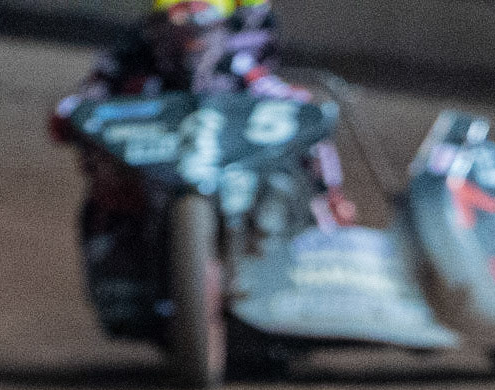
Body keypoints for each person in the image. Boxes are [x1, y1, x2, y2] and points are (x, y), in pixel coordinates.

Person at [48, 0, 355, 335]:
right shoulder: (130, 60)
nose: (190, 46)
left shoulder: (235, 65)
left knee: (300, 158)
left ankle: (326, 218)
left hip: (229, 172)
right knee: (106, 191)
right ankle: (122, 271)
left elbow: (284, 98)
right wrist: (73, 113)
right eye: (179, 33)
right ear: (157, 32)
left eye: (201, 35)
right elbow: (83, 100)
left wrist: (300, 105)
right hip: (152, 176)